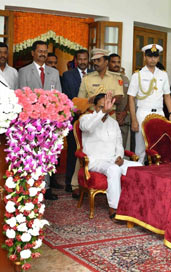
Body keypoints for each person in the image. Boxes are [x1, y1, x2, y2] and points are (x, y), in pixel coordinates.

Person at [79, 92, 142, 221]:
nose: (104, 110)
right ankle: (115, 207)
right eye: (101, 107)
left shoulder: (113, 123)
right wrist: (102, 113)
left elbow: (119, 143)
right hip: (96, 161)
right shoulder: (85, 119)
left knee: (139, 167)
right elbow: (88, 128)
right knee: (114, 169)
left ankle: (137, 205)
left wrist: (119, 156)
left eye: (107, 107)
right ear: (94, 107)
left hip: (113, 159)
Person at [18, 41, 62, 200]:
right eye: (40, 51)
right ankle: (31, 187)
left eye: (45, 51)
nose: (43, 54)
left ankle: (47, 188)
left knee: (47, 155)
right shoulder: (23, 72)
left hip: (49, 122)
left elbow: (58, 96)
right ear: (33, 53)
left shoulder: (54, 73)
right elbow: (22, 96)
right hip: (30, 121)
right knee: (32, 154)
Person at [128, 44, 171, 164]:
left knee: (159, 145)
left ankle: (156, 174)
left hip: (159, 112)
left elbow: (167, 95)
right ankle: (138, 173)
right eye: (150, 56)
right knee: (141, 147)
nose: (152, 59)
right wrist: (133, 119)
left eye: (155, 56)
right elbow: (131, 98)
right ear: (145, 57)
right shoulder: (137, 75)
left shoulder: (163, 74)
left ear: (158, 58)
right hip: (143, 111)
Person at [61, 49, 91, 195]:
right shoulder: (67, 75)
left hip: (91, 120)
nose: (82, 62)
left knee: (89, 151)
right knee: (73, 151)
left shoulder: (94, 75)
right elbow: (67, 97)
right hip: (74, 120)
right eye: (80, 59)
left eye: (85, 59)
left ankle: (87, 181)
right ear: (75, 60)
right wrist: (77, 109)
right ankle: (69, 183)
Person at [108, 53, 130, 149]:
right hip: (108, 118)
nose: (116, 64)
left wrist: (125, 113)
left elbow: (130, 98)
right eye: (113, 62)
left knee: (121, 148)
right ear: (108, 63)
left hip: (123, 119)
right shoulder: (104, 78)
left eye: (118, 62)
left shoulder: (125, 79)